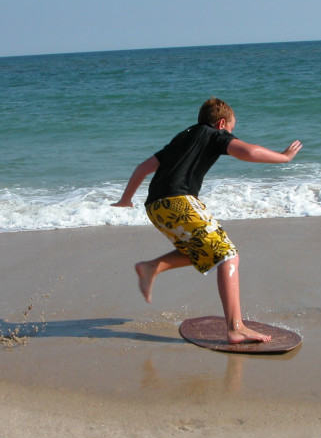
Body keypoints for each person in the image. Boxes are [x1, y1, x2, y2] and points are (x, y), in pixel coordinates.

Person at [111, 98, 302, 344]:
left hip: (155, 207)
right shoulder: (213, 134)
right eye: (231, 130)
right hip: (179, 201)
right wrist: (284, 157)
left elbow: (142, 168)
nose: (231, 135)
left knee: (203, 252)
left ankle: (151, 267)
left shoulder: (182, 138)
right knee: (228, 256)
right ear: (221, 123)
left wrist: (126, 199)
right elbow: (249, 152)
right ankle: (235, 328)